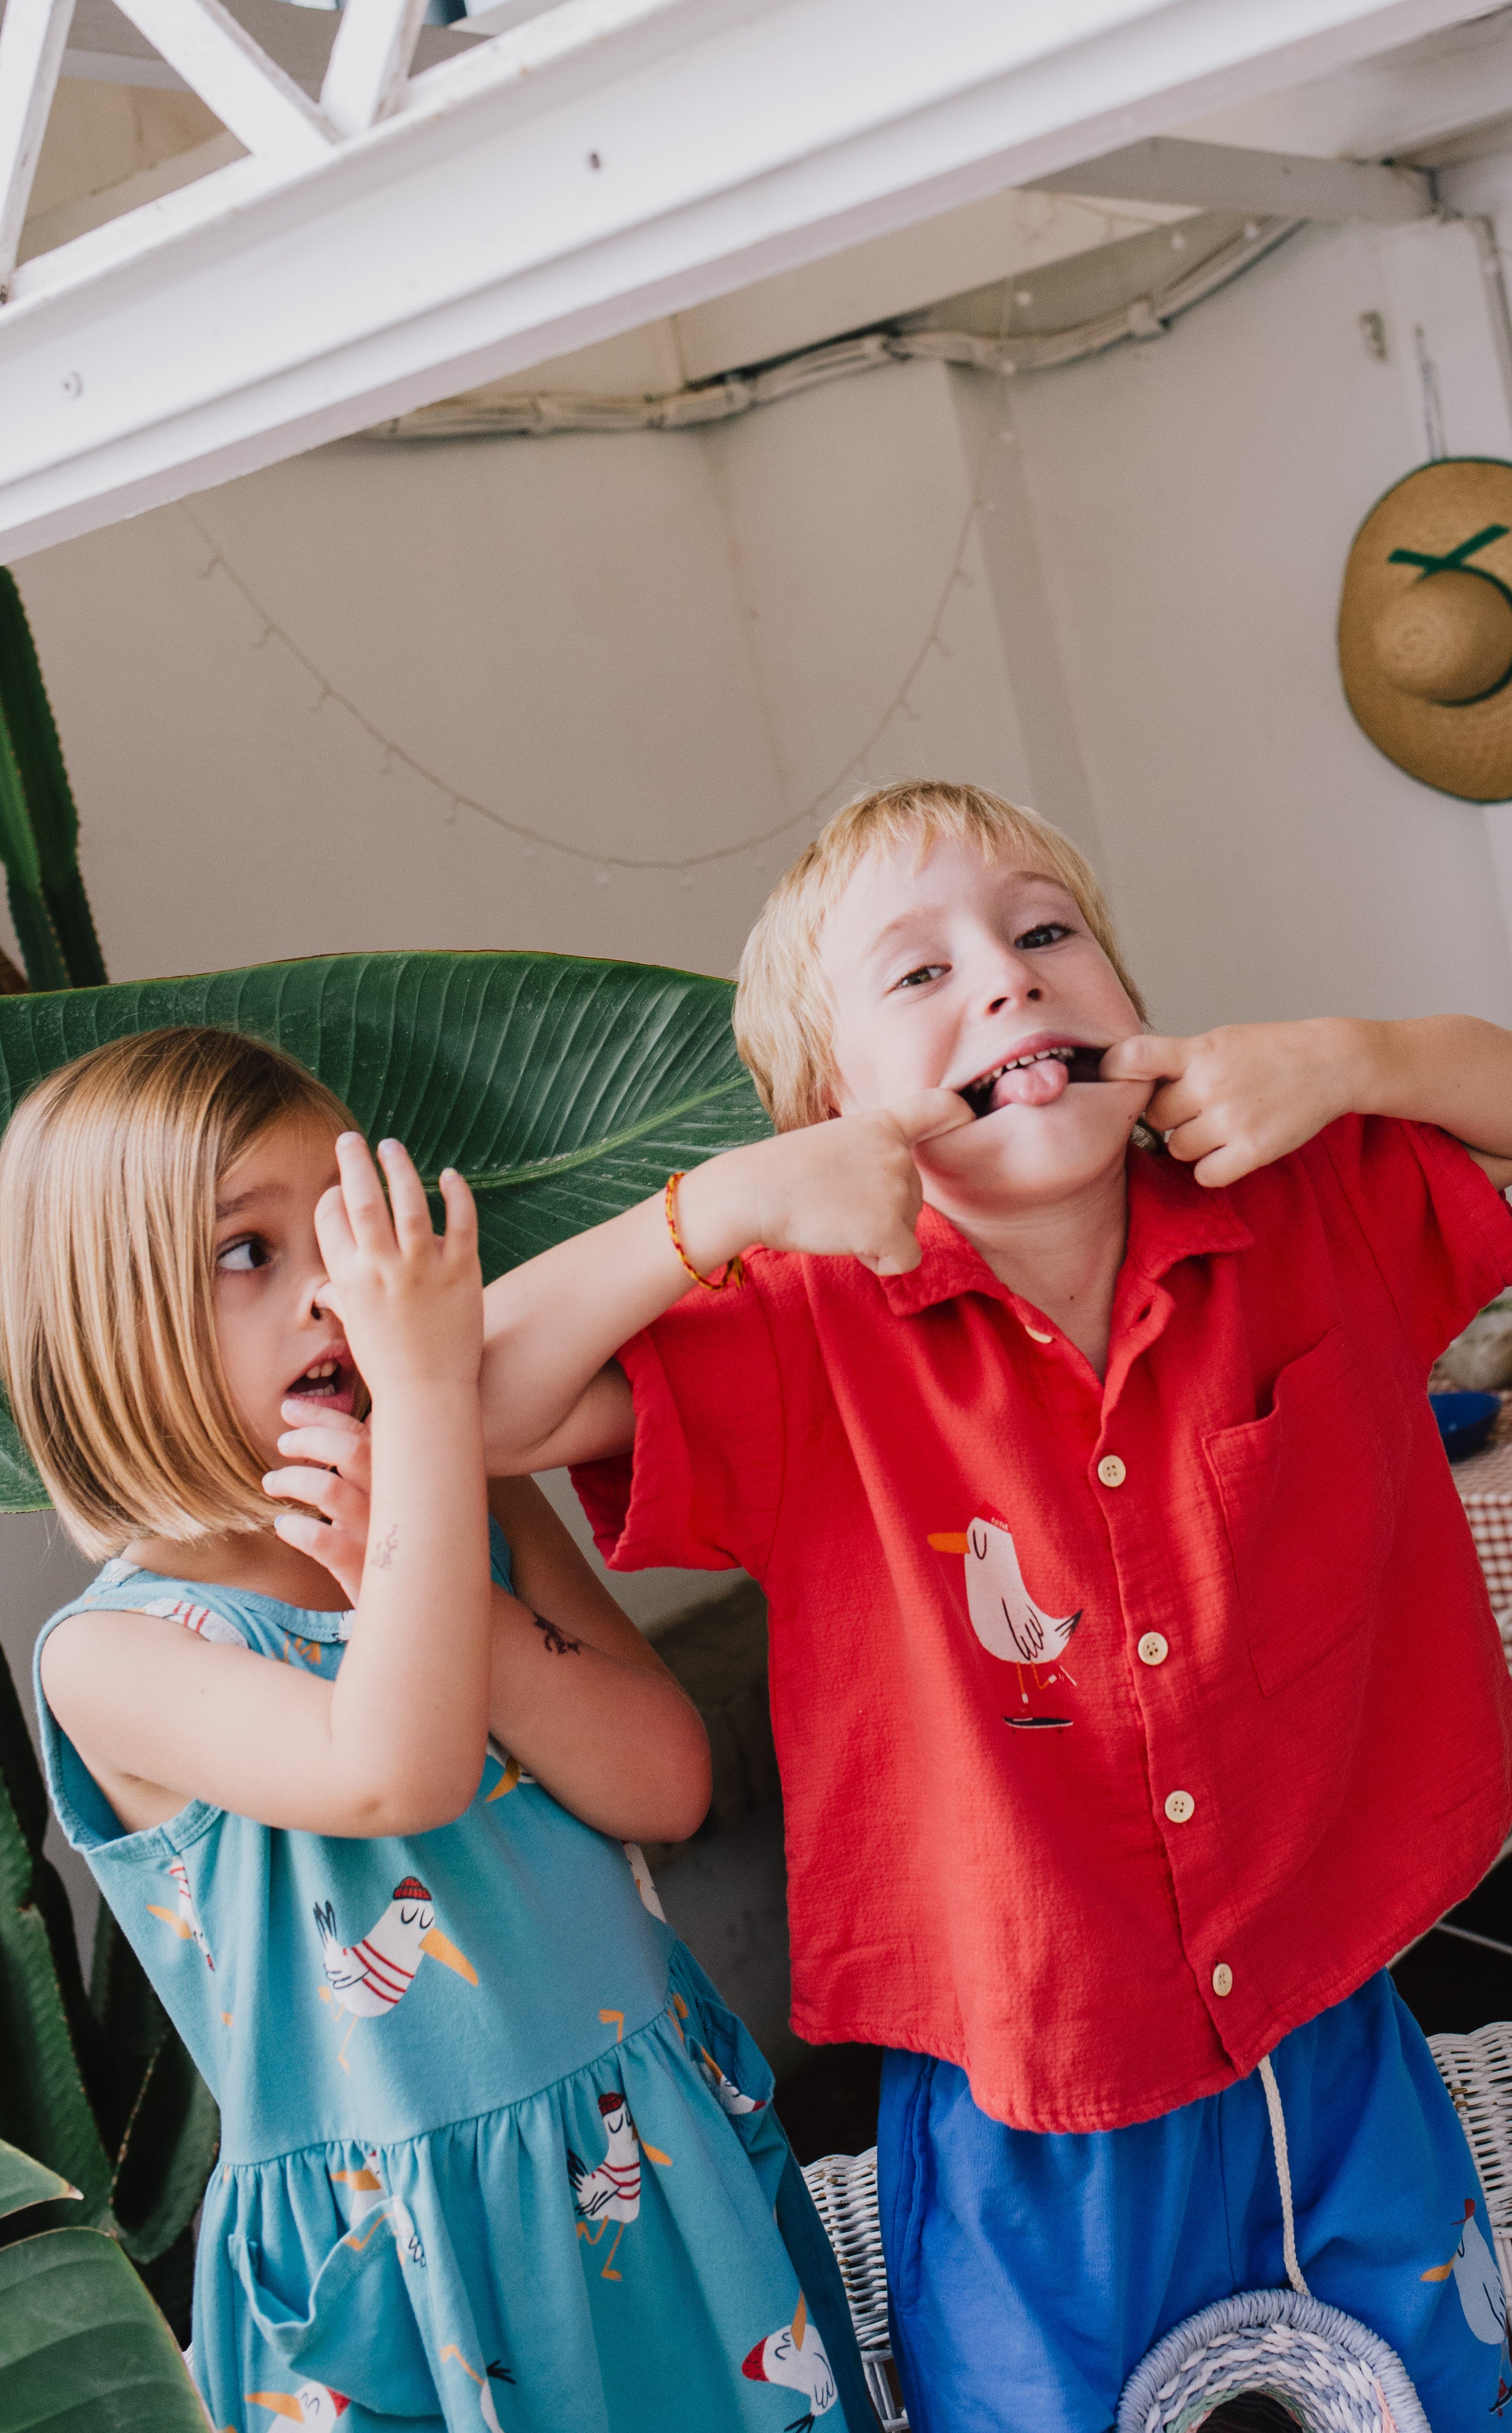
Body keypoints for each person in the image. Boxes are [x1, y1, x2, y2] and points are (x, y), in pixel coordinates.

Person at [480, 781, 1512, 2433]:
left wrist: (1349, 1059)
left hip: (1327, 2014)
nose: (1005, 981)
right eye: (916, 975)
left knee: (1430, 2403)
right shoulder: (795, 1326)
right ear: (826, 1111)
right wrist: (720, 1210)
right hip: (1026, 2078)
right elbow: (470, 1410)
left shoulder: (1306, 1203)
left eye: (1043, 931)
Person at [12, 1027, 869, 2433]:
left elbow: (664, 1780)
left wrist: (426, 1513)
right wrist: (420, 1419)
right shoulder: (116, 1658)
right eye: (251, 1253)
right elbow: (391, 1769)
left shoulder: (468, 1499)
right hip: (415, 2275)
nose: (340, 1298)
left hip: (652, 2169)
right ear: (113, 1324)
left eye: (356, 1234)